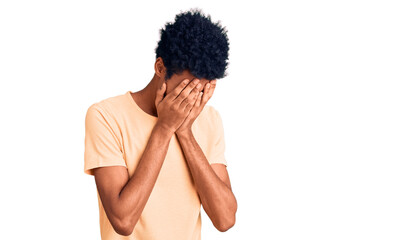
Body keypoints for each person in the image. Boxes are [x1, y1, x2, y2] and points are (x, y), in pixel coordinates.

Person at [84, 9, 237, 240]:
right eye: (187, 88)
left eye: (202, 90)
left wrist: (184, 132)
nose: (193, 99)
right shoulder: (106, 116)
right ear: (160, 68)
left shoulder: (210, 120)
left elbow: (225, 219)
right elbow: (123, 221)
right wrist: (164, 128)